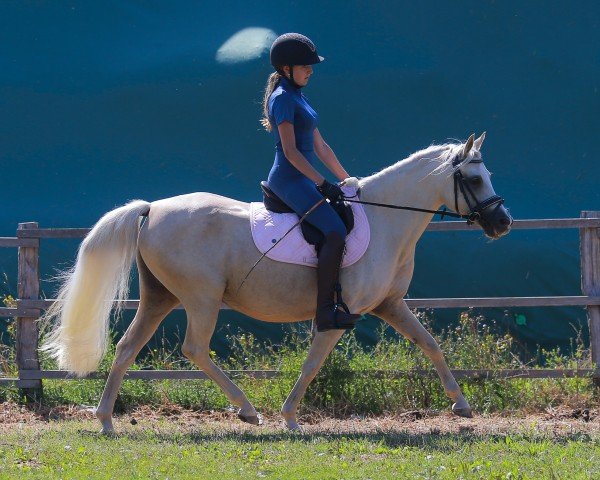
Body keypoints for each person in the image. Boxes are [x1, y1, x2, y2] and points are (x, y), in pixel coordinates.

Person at [260, 33, 361, 332]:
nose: (311, 70)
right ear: (286, 68)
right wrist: (322, 183)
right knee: (334, 230)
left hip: (304, 177)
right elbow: (290, 152)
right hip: (289, 179)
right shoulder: (282, 100)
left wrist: (347, 180)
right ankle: (325, 313)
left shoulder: (298, 96)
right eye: (305, 66)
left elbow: (321, 147)